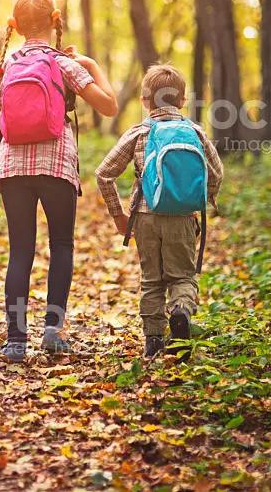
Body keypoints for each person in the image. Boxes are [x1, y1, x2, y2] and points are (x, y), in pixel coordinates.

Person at [0, 0, 118, 362]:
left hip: (13, 168)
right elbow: (108, 106)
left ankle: (15, 340)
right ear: (55, 20)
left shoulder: (5, 68)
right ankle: (53, 329)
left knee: (20, 251)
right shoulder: (64, 64)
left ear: (15, 26)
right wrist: (91, 65)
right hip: (57, 165)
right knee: (62, 246)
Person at [95, 64, 224, 358]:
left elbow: (104, 173)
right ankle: (180, 312)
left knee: (152, 280)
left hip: (145, 217)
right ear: (182, 100)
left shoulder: (139, 132)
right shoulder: (194, 132)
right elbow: (216, 172)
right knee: (182, 277)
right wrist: (204, 200)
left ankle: (153, 342)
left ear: (144, 100)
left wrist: (118, 215)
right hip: (182, 218)